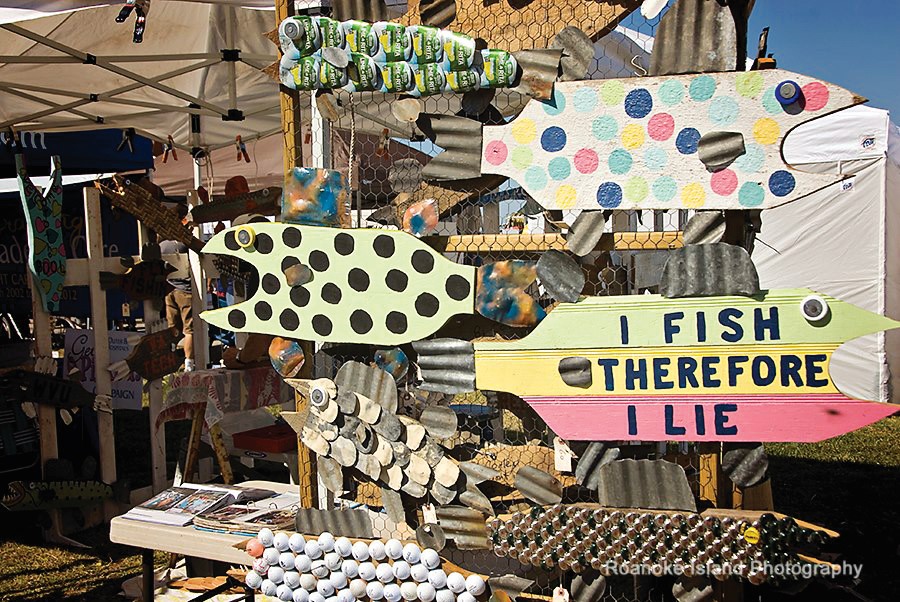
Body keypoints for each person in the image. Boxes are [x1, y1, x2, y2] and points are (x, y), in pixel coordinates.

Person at [160, 236, 194, 371]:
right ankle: (189, 364)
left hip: (169, 289)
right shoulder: (186, 243)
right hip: (185, 290)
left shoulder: (162, 245)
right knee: (190, 330)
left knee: (172, 329)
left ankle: (170, 359)